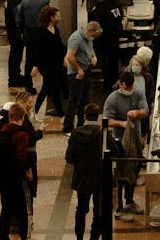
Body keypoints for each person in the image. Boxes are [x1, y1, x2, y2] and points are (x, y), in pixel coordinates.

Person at [104, 70, 149, 222]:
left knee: (134, 171)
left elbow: (145, 110)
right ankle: (119, 207)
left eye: (131, 87)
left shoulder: (138, 93)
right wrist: (121, 123)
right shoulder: (112, 99)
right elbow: (107, 120)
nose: (129, 90)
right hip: (120, 142)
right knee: (121, 174)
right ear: (120, 84)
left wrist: (137, 113)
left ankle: (129, 201)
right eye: (126, 87)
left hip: (135, 140)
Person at [0, 102, 33, 240]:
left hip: (2, 177)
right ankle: (23, 236)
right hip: (16, 177)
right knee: (23, 209)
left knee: (6, 209)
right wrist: (28, 170)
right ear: (22, 117)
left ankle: (3, 237)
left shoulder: (2, 130)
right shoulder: (22, 134)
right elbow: (21, 155)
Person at [67, 102, 104, 240]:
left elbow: (69, 157)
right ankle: (94, 237)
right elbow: (116, 151)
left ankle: (79, 237)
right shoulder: (102, 134)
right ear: (98, 117)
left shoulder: (75, 133)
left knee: (81, 209)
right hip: (98, 178)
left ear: (84, 116)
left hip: (81, 178)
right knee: (98, 211)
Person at [27, 5, 67, 123]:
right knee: (53, 88)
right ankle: (61, 114)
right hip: (47, 65)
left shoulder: (56, 29)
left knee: (48, 88)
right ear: (51, 17)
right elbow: (38, 50)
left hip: (57, 64)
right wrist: (36, 66)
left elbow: (59, 46)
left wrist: (63, 58)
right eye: (58, 15)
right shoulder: (41, 32)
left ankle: (36, 110)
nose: (60, 17)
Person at [62, 21, 103, 134]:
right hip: (76, 73)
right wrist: (79, 69)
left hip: (86, 70)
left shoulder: (89, 37)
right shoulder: (76, 38)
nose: (94, 38)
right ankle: (67, 127)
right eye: (94, 35)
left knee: (85, 100)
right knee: (74, 101)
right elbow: (70, 57)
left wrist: (94, 56)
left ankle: (81, 125)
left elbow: (91, 47)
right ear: (90, 31)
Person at [87, 0, 124, 92]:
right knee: (114, 62)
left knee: (106, 63)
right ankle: (116, 82)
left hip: (105, 39)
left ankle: (108, 86)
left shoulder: (100, 7)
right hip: (115, 38)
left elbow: (95, 22)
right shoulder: (118, 4)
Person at [5, 0, 28, 89]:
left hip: (12, 32)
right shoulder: (15, 1)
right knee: (16, 55)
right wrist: (22, 30)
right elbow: (18, 17)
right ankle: (14, 79)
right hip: (16, 33)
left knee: (16, 55)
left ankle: (15, 75)